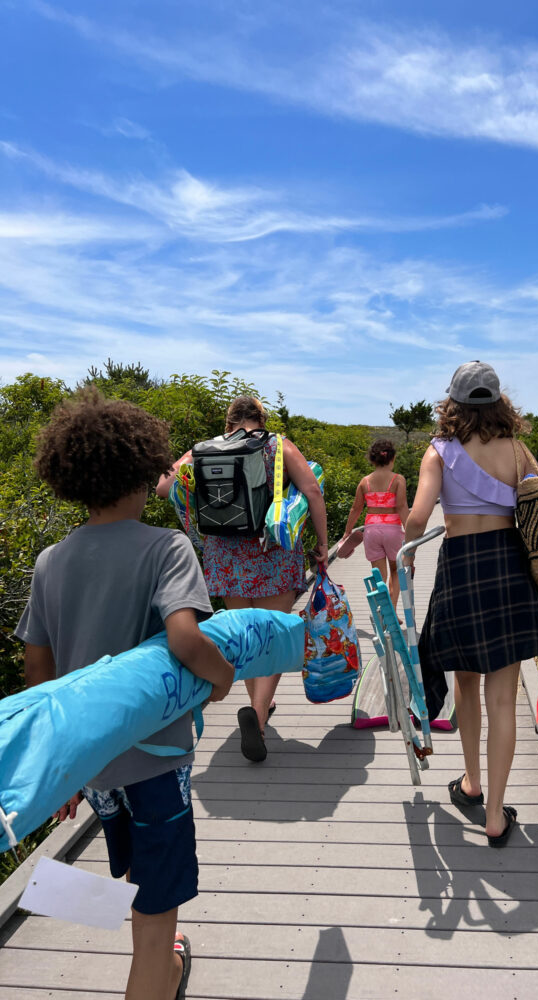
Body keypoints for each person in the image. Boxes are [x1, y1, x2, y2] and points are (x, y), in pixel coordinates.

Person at [14, 388, 235, 1000]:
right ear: (145, 469)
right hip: (156, 764)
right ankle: (157, 971)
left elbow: (39, 667)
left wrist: (62, 770)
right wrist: (222, 678)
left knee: (138, 875)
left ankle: (167, 969)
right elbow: (187, 639)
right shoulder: (167, 548)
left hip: (93, 767)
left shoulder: (52, 560)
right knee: (156, 912)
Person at [404, 361, 538, 847]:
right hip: (509, 570)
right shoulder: (520, 451)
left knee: (465, 680)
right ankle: (495, 813)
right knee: (503, 696)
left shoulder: (438, 452)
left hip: (460, 571)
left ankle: (471, 782)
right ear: (500, 402)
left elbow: (418, 519)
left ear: (452, 403)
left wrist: (406, 556)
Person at [157, 395, 327, 763]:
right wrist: (323, 544)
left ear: (228, 422)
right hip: (274, 555)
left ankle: (257, 706)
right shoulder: (277, 445)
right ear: (261, 419)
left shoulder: (204, 449)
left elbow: (163, 487)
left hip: (224, 559)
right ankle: (259, 716)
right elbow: (312, 490)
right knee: (275, 635)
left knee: (248, 638)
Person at [341, 439, 409, 610]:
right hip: (392, 530)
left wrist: (347, 532)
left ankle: (380, 610)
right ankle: (391, 610)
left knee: (379, 576)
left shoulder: (365, 482)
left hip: (371, 531)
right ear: (392, 459)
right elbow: (401, 506)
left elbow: (356, 509)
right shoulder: (398, 479)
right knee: (396, 570)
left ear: (372, 460)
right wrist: (410, 530)